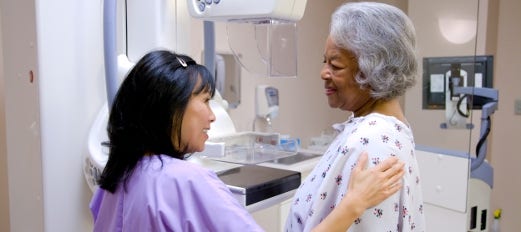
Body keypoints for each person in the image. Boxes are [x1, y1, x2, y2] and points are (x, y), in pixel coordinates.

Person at [89, 50, 405, 232]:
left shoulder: (117, 178)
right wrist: (353, 203)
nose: (213, 116)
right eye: (205, 100)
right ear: (169, 105)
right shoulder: (185, 181)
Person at [285, 2, 425, 232]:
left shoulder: (372, 141)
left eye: (336, 65)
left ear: (372, 70)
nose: (323, 73)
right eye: (325, 61)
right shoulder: (385, 128)